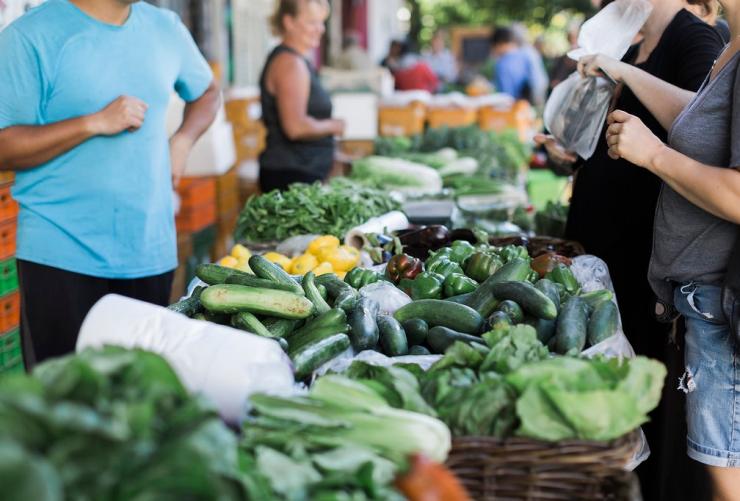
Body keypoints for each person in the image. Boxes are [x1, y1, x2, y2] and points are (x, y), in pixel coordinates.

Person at [535, 2, 723, 499]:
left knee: (649, 405)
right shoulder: (630, 40)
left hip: (645, 256)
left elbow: (700, 127)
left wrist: (626, 80)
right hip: (607, 248)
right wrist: (573, 149)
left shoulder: (692, 38)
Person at [0, 0, 220, 368]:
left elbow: (208, 93)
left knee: (139, 401)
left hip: (149, 249)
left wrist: (182, 141)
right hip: (61, 254)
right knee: (67, 407)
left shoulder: (165, 27)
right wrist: (93, 123)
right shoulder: (30, 35)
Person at [594, 0, 740, 495]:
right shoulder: (732, 46)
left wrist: (653, 154)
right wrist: (619, 70)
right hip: (702, 303)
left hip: (723, 303)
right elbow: (702, 123)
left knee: (726, 478)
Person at [259, 0, 344, 193]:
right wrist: (335, 125)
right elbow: (295, 127)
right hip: (292, 175)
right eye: (312, 22)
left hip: (300, 172)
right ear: (289, 22)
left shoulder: (296, 60)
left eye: (322, 22)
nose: (320, 29)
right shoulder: (291, 63)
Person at [489, 26, 535, 101]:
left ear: (500, 44)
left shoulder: (502, 64)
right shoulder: (526, 55)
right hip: (527, 105)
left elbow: (506, 96)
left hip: (512, 107)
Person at [512, 23, 549, 106]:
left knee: (537, 108)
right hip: (539, 83)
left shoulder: (524, 51)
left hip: (536, 84)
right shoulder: (528, 49)